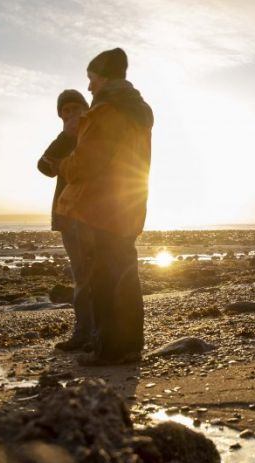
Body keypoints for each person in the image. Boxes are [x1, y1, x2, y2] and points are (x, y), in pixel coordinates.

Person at [47, 48, 153, 365]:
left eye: (92, 79)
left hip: (100, 208)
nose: (90, 87)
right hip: (129, 204)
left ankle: (108, 350)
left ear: (104, 77)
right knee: (125, 277)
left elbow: (86, 164)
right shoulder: (138, 113)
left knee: (105, 280)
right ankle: (130, 346)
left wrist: (63, 165)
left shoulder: (106, 112)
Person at [37, 89, 93, 351]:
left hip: (96, 213)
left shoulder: (95, 131)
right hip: (68, 215)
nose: (70, 114)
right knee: (81, 275)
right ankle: (84, 332)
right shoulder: (64, 139)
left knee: (98, 273)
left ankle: (97, 332)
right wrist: (65, 136)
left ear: (86, 107)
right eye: (65, 111)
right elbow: (43, 166)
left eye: (75, 108)